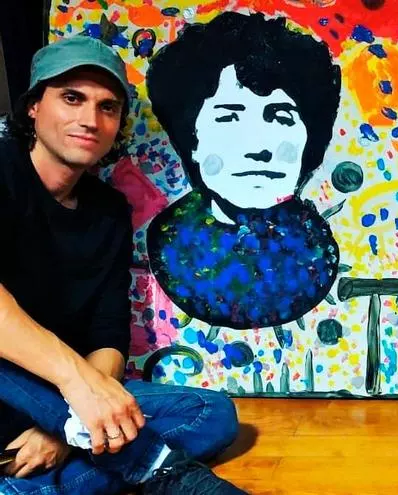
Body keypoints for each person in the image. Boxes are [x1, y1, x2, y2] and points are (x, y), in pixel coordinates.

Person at [0, 34, 246, 494]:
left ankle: (32, 483)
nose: (90, 120)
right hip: (26, 385)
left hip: (57, 401)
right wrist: (78, 393)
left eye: (107, 107)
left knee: (210, 414)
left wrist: (67, 426)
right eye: (72, 98)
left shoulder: (109, 211)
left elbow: (108, 334)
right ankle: (155, 467)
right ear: (33, 106)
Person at [145, 11, 342, 330]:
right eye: (228, 118)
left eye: (280, 117)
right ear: (192, 139)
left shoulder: (315, 254)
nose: (258, 147)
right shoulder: (171, 248)